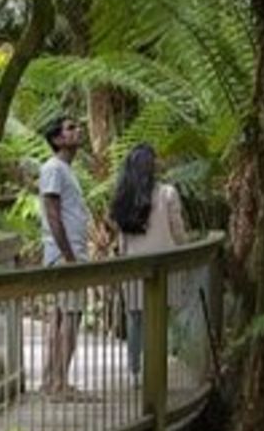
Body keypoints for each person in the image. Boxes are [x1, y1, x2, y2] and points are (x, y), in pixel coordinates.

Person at [109, 143, 188, 383]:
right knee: (159, 318)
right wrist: (186, 248)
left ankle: (135, 372)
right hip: (164, 265)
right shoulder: (167, 193)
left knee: (135, 318)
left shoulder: (124, 198)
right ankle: (155, 369)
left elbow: (122, 240)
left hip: (134, 265)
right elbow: (178, 231)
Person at [39, 115, 90, 397]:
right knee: (70, 316)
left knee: (60, 317)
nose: (77, 130)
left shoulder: (65, 169)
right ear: (57, 139)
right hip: (65, 254)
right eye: (71, 128)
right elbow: (52, 213)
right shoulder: (54, 168)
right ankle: (59, 384)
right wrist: (69, 255)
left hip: (69, 253)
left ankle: (51, 380)